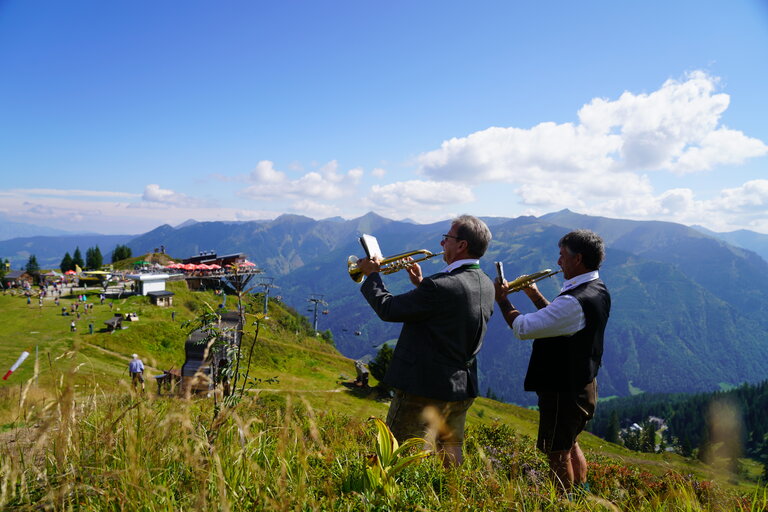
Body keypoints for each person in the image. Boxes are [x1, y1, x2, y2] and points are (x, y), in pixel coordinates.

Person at [356, 214, 495, 466]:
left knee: (395, 452)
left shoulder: (440, 286)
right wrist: (420, 284)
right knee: (449, 455)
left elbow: (389, 309)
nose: (442, 244)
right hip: (460, 387)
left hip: (423, 387)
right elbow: (451, 316)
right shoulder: (486, 283)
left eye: (447, 238)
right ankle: (450, 498)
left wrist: (372, 275)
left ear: (462, 245)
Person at [494, 229, 611, 493]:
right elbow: (561, 322)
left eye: (562, 256)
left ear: (578, 259)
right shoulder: (597, 289)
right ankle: (582, 496)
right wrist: (535, 296)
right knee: (570, 444)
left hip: (562, 389)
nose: (558, 262)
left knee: (557, 452)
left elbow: (523, 328)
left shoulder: (574, 300)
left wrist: (503, 301)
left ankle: (563, 502)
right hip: (583, 383)